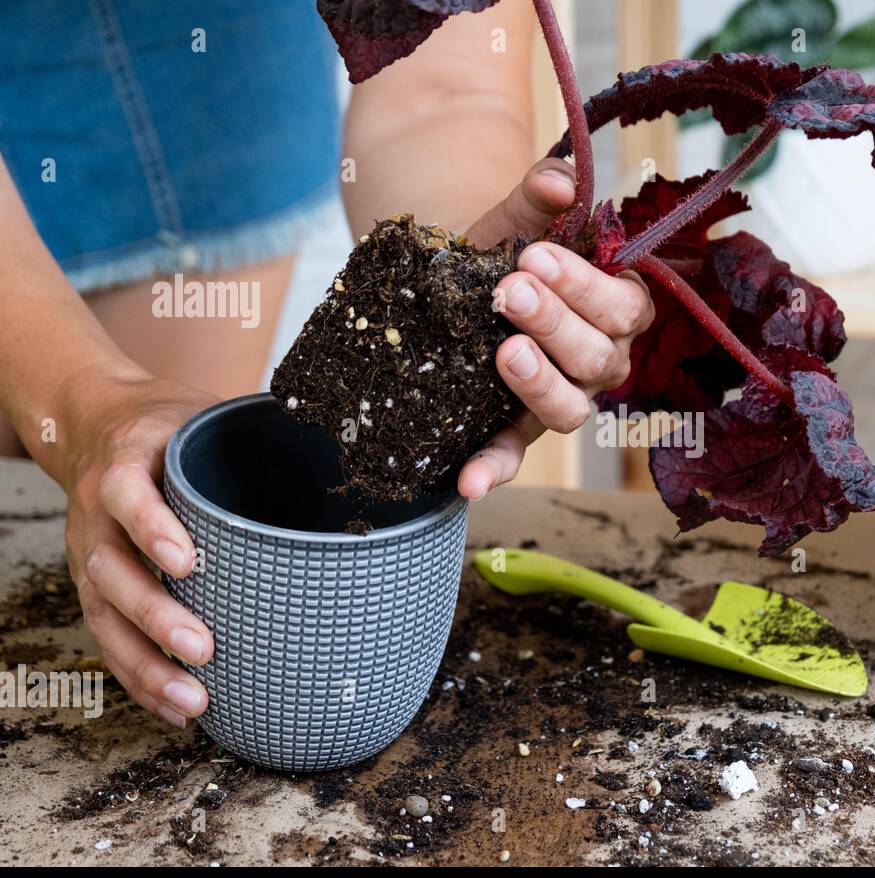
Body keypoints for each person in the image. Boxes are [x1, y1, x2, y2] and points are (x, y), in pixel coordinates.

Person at [0, 0, 652, 727]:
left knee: (159, 500)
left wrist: (480, 293)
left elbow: (440, 92)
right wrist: (79, 397)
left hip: (201, 95)